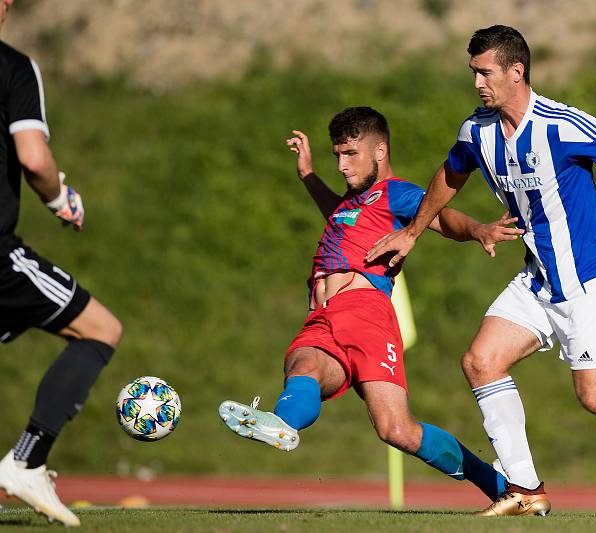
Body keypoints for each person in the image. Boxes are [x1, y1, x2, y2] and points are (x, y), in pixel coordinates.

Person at [366, 25, 596, 520]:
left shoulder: (562, 125)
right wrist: (413, 232)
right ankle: (524, 489)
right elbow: (449, 175)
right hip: (538, 281)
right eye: (473, 72)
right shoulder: (476, 131)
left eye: (485, 72)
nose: (477, 82)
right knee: (481, 361)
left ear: (516, 71)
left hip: (593, 282)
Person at [218, 106, 525, 505]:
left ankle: (500, 485)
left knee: (396, 430)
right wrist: (308, 176)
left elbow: (441, 217)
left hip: (367, 314)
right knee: (303, 366)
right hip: (324, 316)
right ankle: (280, 423)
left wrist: (479, 229)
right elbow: (339, 217)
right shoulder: (352, 201)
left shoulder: (395, 193)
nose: (342, 166)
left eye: (350, 155)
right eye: (337, 156)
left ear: (379, 151)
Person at [0, 0, 122, 526]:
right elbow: (33, 157)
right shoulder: (12, 67)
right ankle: (27, 459)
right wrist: (59, 198)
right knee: (99, 329)